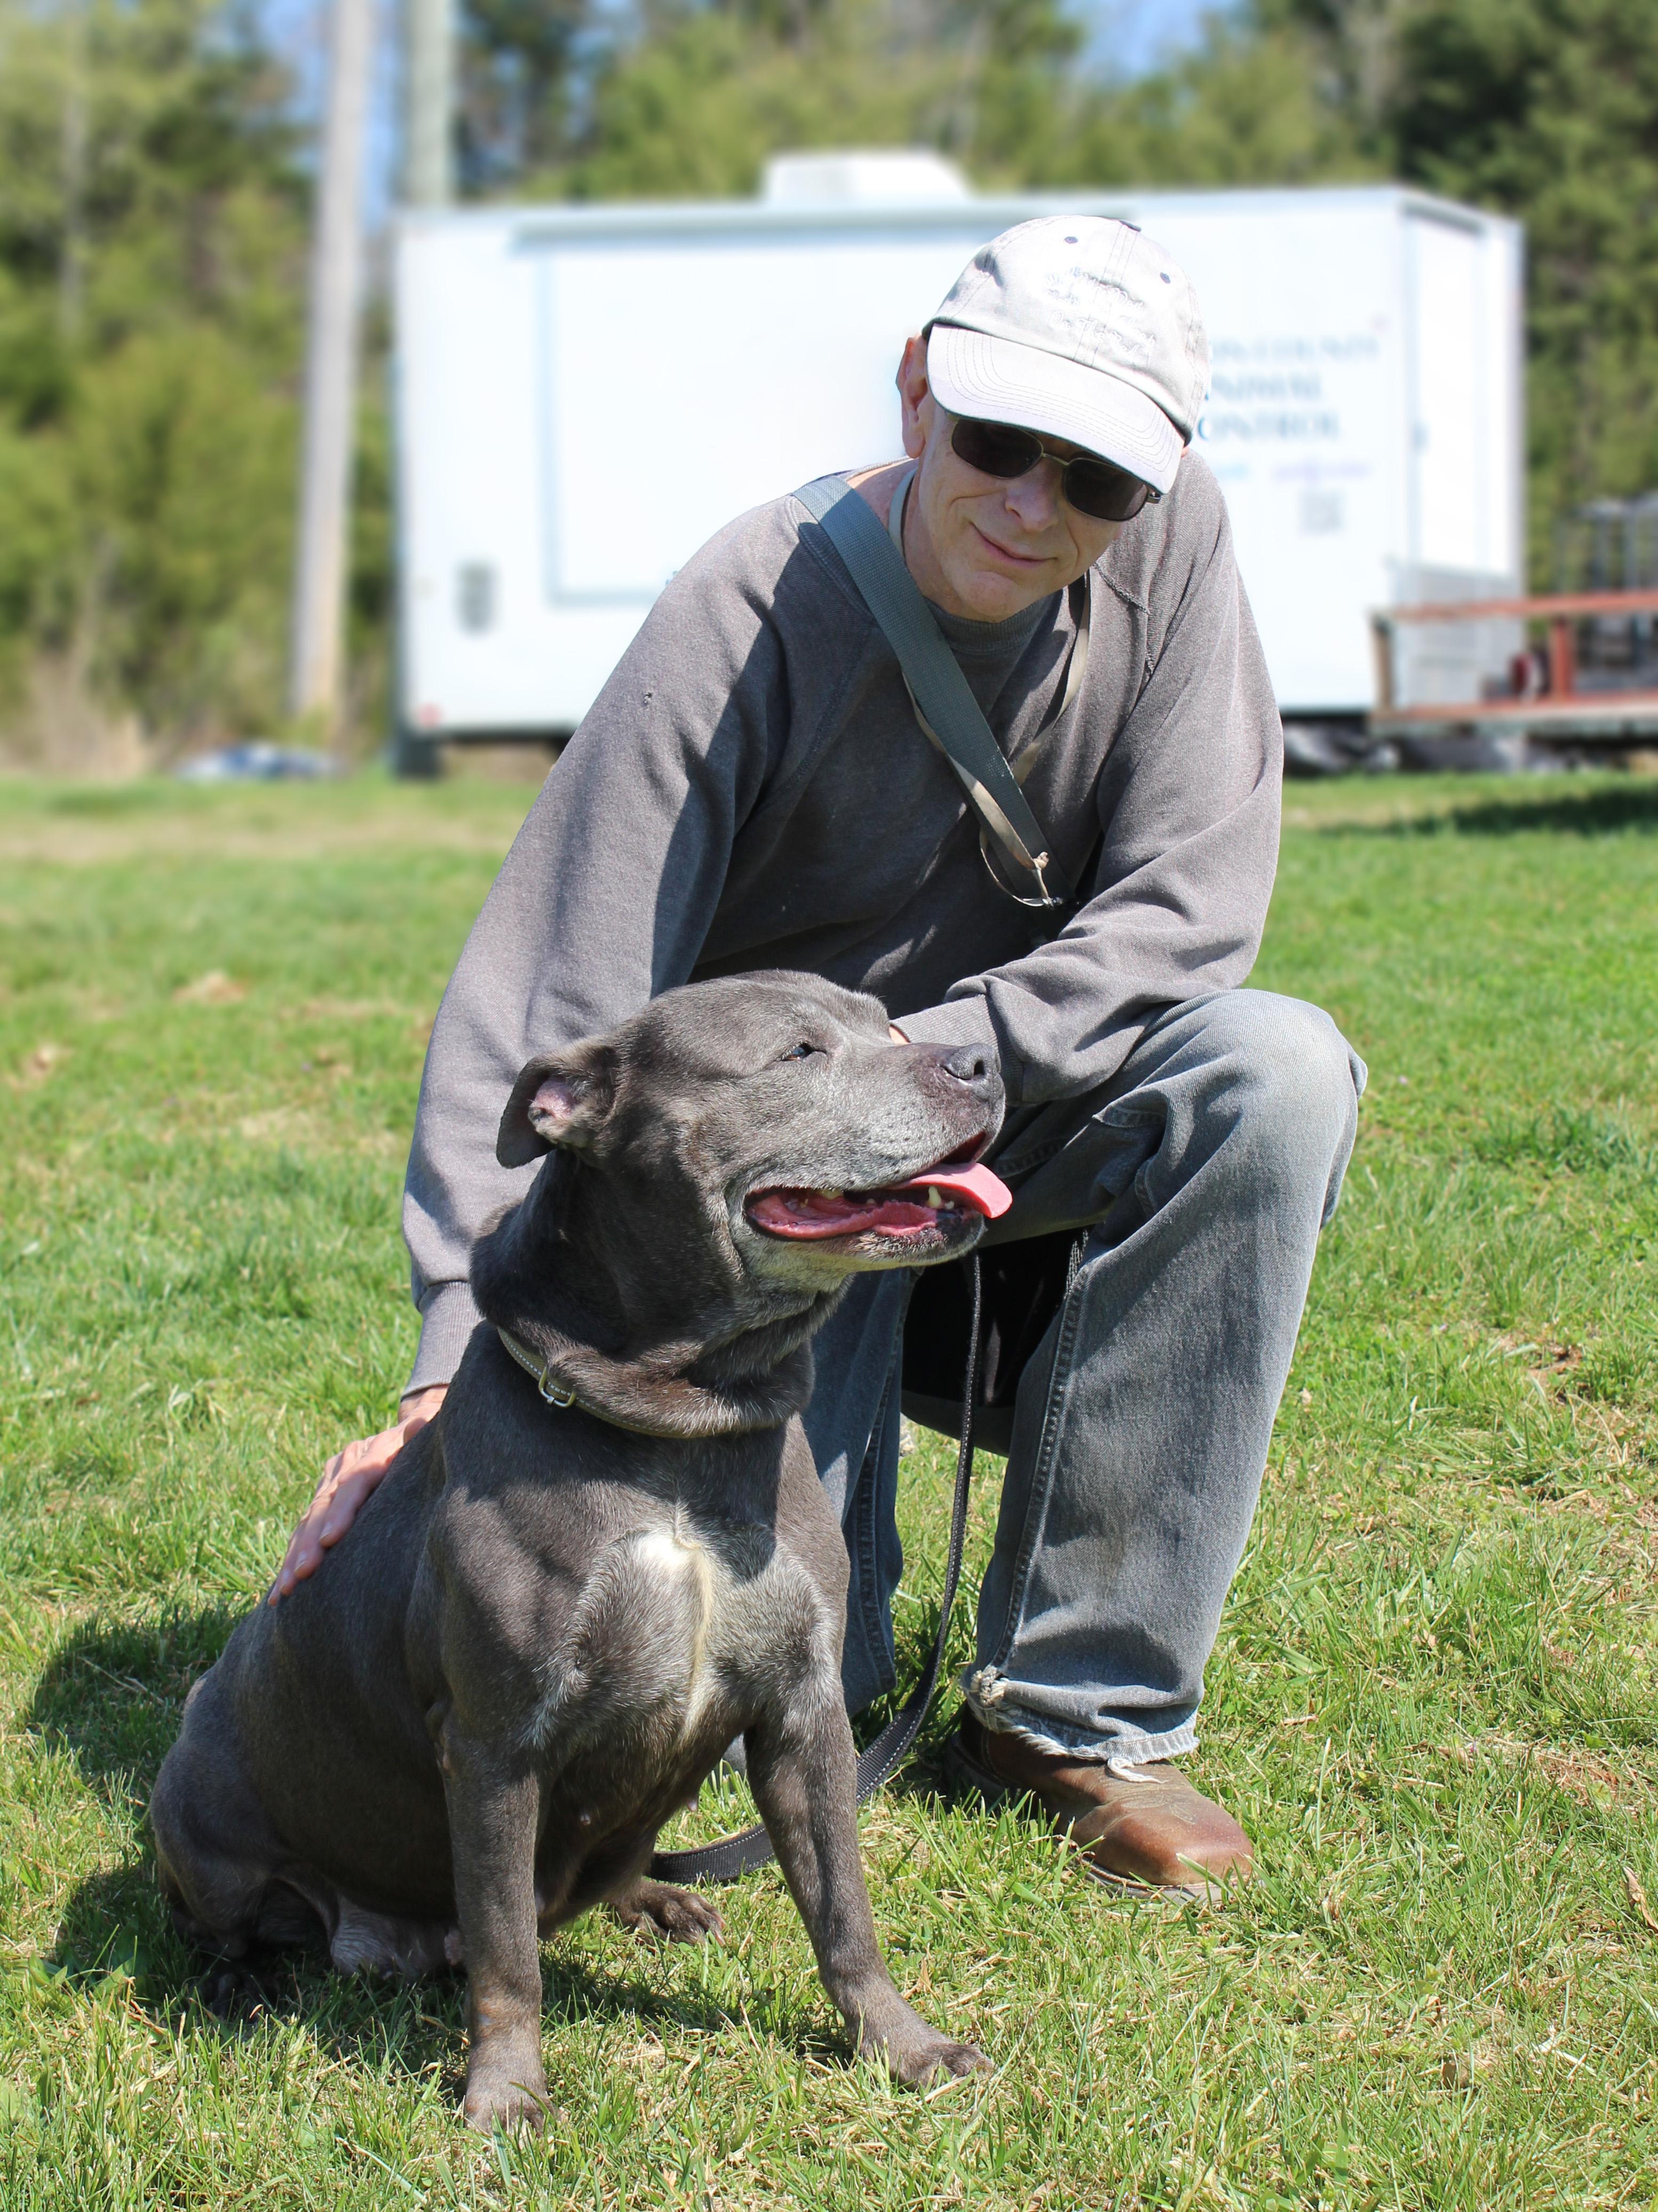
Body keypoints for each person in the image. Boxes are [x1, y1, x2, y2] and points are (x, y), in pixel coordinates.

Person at [273, 216, 1364, 1899]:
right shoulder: (744, 607)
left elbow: (1193, 903)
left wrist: (938, 1071)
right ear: (917, 390)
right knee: (786, 1689)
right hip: (772, 1211)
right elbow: (553, 997)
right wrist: (443, 1376)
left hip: (1007, 1128)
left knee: (1270, 1070)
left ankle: (1077, 1710)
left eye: (1095, 479)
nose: (1033, 505)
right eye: (996, 441)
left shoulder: (1175, 547)